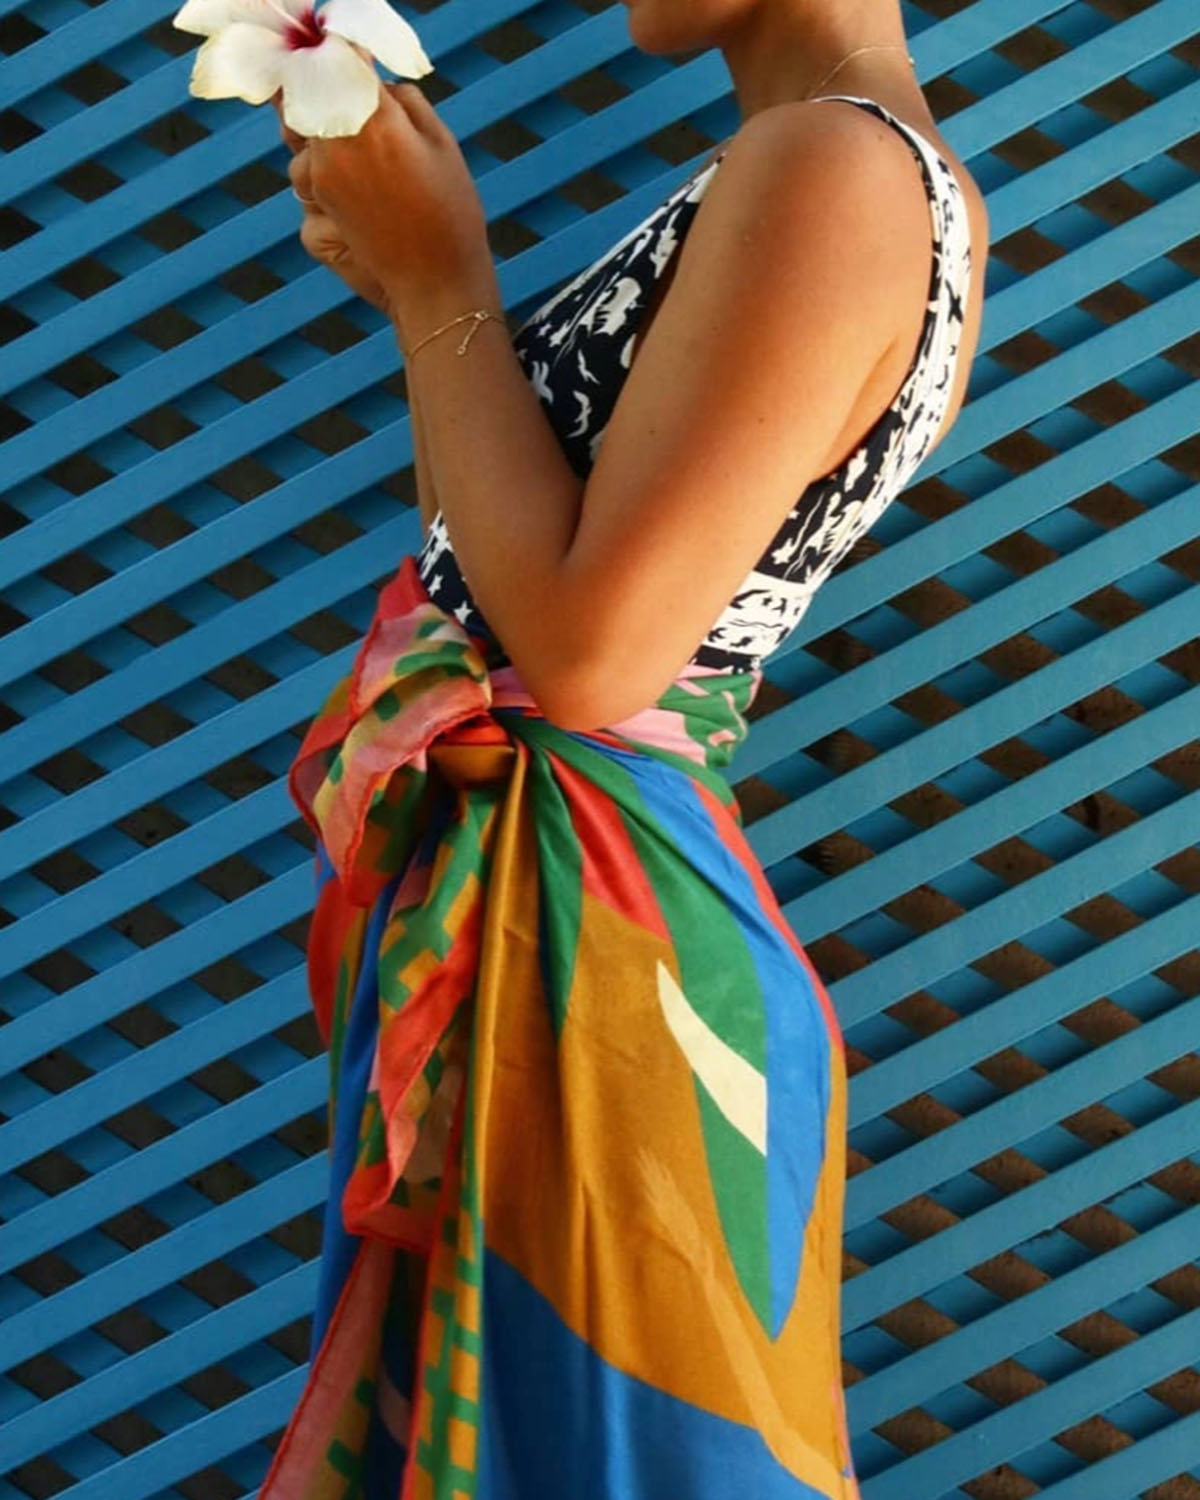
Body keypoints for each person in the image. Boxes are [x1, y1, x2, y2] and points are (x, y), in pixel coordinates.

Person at [261, 0, 988, 1494]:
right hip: (568, 924)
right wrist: (421, 287)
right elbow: (517, 573)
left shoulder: (834, 172)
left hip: (602, 962)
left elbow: (585, 660)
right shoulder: (836, 171)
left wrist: (441, 280)